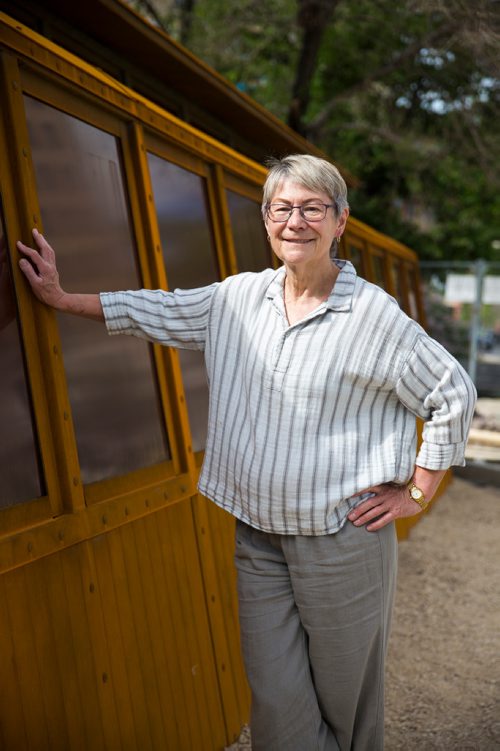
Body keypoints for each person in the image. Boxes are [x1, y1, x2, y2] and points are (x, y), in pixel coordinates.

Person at [17, 154, 476, 751]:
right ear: (265, 220)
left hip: (342, 538)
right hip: (257, 535)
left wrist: (416, 492)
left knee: (346, 704)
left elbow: (452, 394)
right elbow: (155, 309)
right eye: (282, 208)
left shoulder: (372, 316)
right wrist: (59, 297)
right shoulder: (238, 298)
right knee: (277, 702)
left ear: (340, 221)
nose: (295, 221)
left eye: (313, 208)